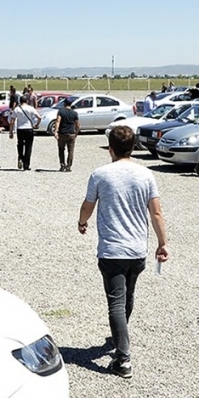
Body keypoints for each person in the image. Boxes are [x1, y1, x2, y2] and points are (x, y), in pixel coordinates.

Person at [77, 125, 169, 379]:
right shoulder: (146, 175)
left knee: (116, 302)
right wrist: (163, 243)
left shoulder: (100, 175)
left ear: (111, 148)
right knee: (127, 296)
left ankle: (123, 358)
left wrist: (82, 222)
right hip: (137, 249)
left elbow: (88, 205)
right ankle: (121, 335)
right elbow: (156, 213)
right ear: (133, 147)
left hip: (112, 250)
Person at [10, 95, 41, 171]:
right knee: (28, 147)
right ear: (27, 101)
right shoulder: (31, 108)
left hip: (20, 129)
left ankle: (20, 157)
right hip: (29, 128)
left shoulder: (17, 109)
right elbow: (39, 117)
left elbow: (12, 121)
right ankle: (26, 165)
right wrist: (36, 124)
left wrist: (11, 131)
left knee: (20, 144)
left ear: (20, 101)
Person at [54, 97, 80, 172]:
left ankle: (62, 165)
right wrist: (76, 133)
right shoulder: (74, 113)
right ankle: (68, 166)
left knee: (61, 150)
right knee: (71, 151)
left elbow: (58, 121)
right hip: (71, 133)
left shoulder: (61, 111)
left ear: (64, 103)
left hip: (62, 133)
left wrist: (56, 131)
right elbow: (78, 125)